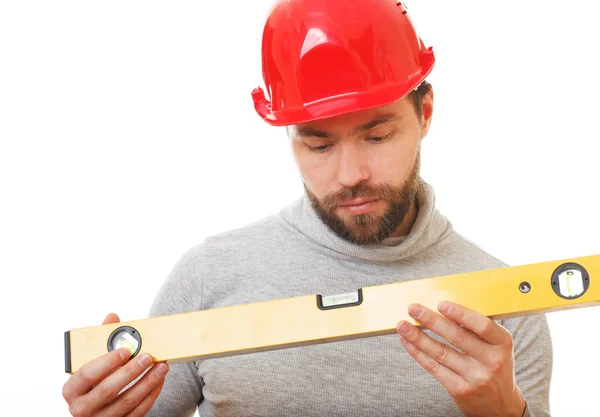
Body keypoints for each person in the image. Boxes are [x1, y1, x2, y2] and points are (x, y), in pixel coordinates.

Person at [61, 0, 552, 416]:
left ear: (424, 114)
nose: (349, 174)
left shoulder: (505, 308)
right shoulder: (209, 278)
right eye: (319, 146)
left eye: (377, 135)